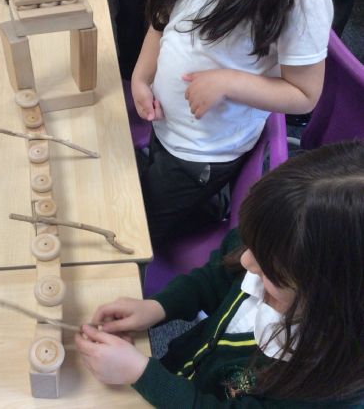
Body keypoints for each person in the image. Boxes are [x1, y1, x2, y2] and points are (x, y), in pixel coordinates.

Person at [75, 140, 364, 407]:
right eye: (249, 245)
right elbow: (214, 277)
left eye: (270, 272)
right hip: (179, 374)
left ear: (332, 300)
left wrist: (143, 375)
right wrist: (158, 307)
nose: (247, 261)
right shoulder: (274, 242)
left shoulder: (323, 391)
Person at [131, 0, 334, 250]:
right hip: (167, 128)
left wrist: (228, 82)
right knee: (140, 190)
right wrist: (141, 77)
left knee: (133, 231)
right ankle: (203, 202)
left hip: (200, 156)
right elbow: (162, 21)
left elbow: (305, 94)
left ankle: (211, 203)